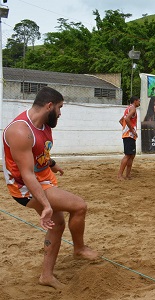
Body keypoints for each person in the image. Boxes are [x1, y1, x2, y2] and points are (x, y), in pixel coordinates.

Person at [2, 86, 99, 289]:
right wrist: (46, 204)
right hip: (24, 188)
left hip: (41, 179)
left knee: (58, 224)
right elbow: (27, 174)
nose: (60, 113)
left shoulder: (45, 123)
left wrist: (52, 164)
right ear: (49, 106)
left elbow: (39, 152)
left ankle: (46, 276)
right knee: (79, 206)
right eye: (60, 108)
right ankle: (79, 248)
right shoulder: (20, 131)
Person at [118, 96, 141, 180]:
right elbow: (127, 119)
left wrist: (126, 128)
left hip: (128, 135)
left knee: (132, 155)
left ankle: (127, 175)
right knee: (128, 155)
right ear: (135, 101)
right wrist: (132, 130)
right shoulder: (133, 109)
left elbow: (121, 120)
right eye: (138, 101)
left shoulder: (128, 108)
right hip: (129, 135)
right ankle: (120, 175)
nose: (139, 102)